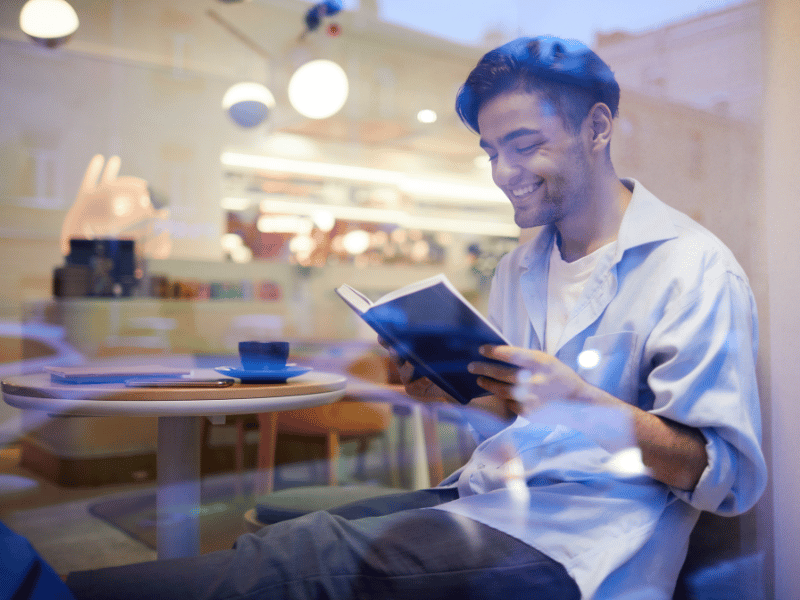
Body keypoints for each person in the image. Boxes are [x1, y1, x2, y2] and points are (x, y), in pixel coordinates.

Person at [66, 35, 766, 600]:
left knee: (296, 564)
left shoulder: (691, 267)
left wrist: (583, 405)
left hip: (581, 541)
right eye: (492, 151)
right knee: (288, 542)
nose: (502, 171)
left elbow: (726, 475)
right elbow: (516, 426)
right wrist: (458, 392)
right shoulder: (520, 268)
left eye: (523, 144)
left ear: (598, 127)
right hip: (481, 498)